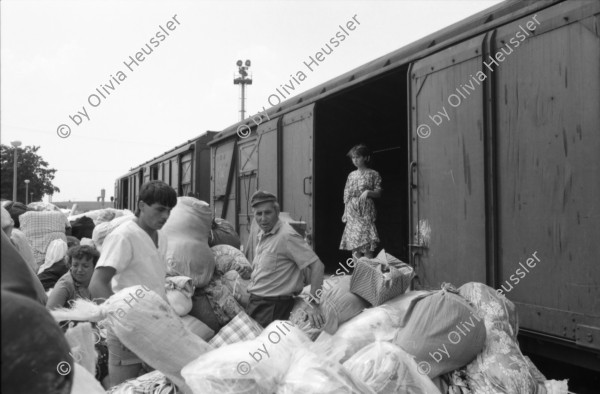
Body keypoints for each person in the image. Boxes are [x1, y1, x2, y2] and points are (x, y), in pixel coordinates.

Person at [89, 180, 177, 387]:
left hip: (156, 325)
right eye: (160, 209)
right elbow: (97, 283)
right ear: (141, 205)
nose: (165, 216)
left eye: (169, 211)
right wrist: (120, 319)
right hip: (127, 329)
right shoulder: (124, 236)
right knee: (124, 389)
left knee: (156, 386)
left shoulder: (161, 236)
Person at [245, 190, 325, 329]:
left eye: (267, 213)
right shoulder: (262, 234)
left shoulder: (286, 236)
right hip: (257, 303)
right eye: (259, 214)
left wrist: (313, 302)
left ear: (277, 212)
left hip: (273, 308)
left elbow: (318, 266)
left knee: (261, 348)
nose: (263, 219)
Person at [340, 144, 383, 259]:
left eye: (357, 157)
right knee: (354, 244)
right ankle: (358, 273)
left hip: (365, 210)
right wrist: (345, 212)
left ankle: (368, 274)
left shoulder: (373, 174)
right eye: (353, 158)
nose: (355, 160)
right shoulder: (351, 175)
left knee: (367, 242)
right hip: (352, 210)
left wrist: (369, 192)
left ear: (365, 158)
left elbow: (379, 192)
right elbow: (347, 194)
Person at [46, 245, 100, 309]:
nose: (79, 270)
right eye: (75, 265)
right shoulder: (65, 284)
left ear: (95, 267)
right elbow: (49, 314)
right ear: (70, 265)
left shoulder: (100, 280)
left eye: (85, 266)